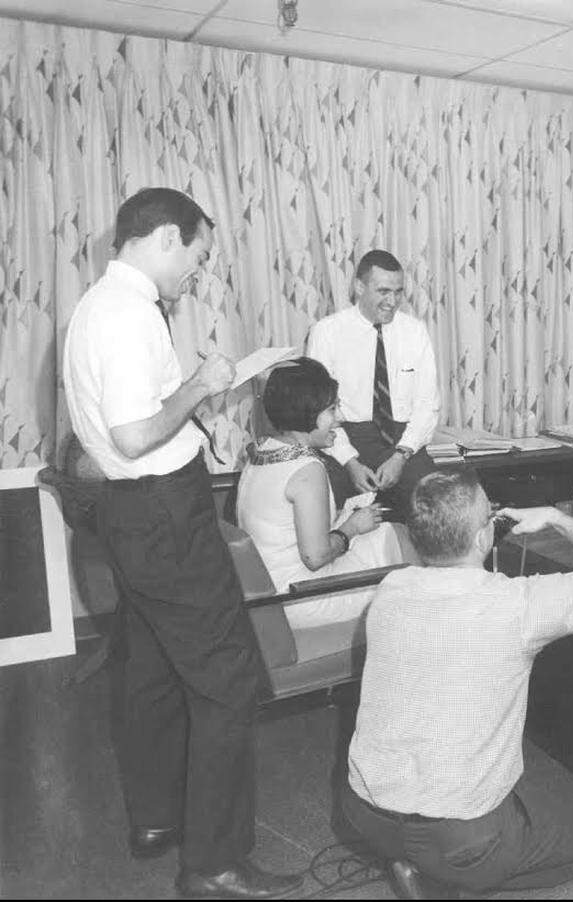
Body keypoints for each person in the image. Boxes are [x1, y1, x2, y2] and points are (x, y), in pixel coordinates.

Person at [62, 187, 301, 899]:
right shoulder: (130, 317)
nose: (195, 274)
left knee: (153, 668)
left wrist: (195, 396)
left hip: (129, 514)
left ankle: (159, 818)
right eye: (196, 257)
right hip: (164, 514)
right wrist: (202, 383)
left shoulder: (94, 308)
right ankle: (215, 865)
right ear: (165, 237)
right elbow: (137, 433)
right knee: (229, 681)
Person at [341, 472, 573, 897]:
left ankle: (420, 864)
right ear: (482, 538)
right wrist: (556, 518)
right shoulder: (519, 605)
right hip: (462, 841)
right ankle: (443, 882)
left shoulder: (391, 587)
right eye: (488, 513)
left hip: (365, 815)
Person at [236, 358, 415, 632]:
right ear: (307, 413)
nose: (339, 418)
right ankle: (430, 633)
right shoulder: (307, 470)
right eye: (332, 409)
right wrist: (350, 528)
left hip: (271, 591)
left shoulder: (261, 451)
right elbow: (316, 557)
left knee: (393, 533)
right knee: (404, 548)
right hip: (302, 596)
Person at [306, 249, 440, 517]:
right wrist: (349, 462)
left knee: (435, 505)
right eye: (383, 291)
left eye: (399, 292)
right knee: (325, 506)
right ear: (359, 287)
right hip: (345, 439)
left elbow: (428, 405)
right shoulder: (327, 332)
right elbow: (319, 410)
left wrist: (401, 456)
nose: (392, 301)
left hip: (403, 442)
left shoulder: (415, 331)